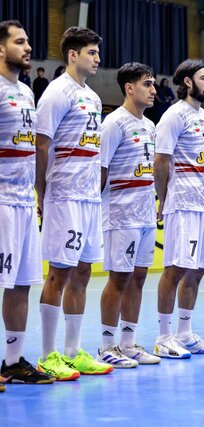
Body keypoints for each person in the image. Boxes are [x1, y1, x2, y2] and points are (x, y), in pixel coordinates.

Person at [35, 26, 112, 380]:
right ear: (72, 55)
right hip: (64, 194)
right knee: (60, 272)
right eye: (91, 52)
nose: (97, 58)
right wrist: (41, 191)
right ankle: (47, 355)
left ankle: (72, 351)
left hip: (89, 198)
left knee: (83, 271)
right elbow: (41, 145)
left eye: (97, 52)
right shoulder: (56, 93)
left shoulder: (93, 98)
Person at [0, 19, 55, 386]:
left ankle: (12, 362)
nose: (28, 48)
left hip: (22, 201)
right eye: (19, 42)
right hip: (1, 200)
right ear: (1, 48)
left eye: (28, 41)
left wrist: (37, 192)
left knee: (21, 283)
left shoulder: (26, 92)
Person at [96, 62, 161, 368]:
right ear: (129, 88)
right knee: (119, 279)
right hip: (120, 215)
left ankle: (128, 342)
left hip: (145, 212)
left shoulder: (150, 126)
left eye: (153, 84)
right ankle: (106, 346)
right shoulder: (113, 124)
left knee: (139, 278)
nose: (153, 90)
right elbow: (101, 169)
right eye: (147, 84)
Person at [153, 59, 204, 358]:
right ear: (188, 82)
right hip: (182, 204)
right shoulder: (173, 115)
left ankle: (184, 333)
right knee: (176, 269)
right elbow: (161, 161)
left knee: (198, 269)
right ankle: (163, 336)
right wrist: (164, 198)